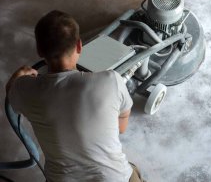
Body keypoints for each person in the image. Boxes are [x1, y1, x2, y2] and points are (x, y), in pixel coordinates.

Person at [5, 10, 144, 182]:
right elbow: (121, 127)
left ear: (39, 51)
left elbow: (10, 93)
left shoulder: (27, 91)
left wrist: (20, 75)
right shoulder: (111, 81)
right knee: (132, 169)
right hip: (114, 178)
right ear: (79, 46)